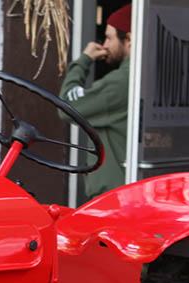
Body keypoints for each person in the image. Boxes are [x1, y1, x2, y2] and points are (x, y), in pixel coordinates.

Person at [59, 5, 132, 198]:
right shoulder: (147, 74)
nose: (105, 45)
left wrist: (84, 60)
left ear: (129, 39)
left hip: (115, 198)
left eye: (109, 38)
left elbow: (66, 106)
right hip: (135, 190)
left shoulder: (121, 82)